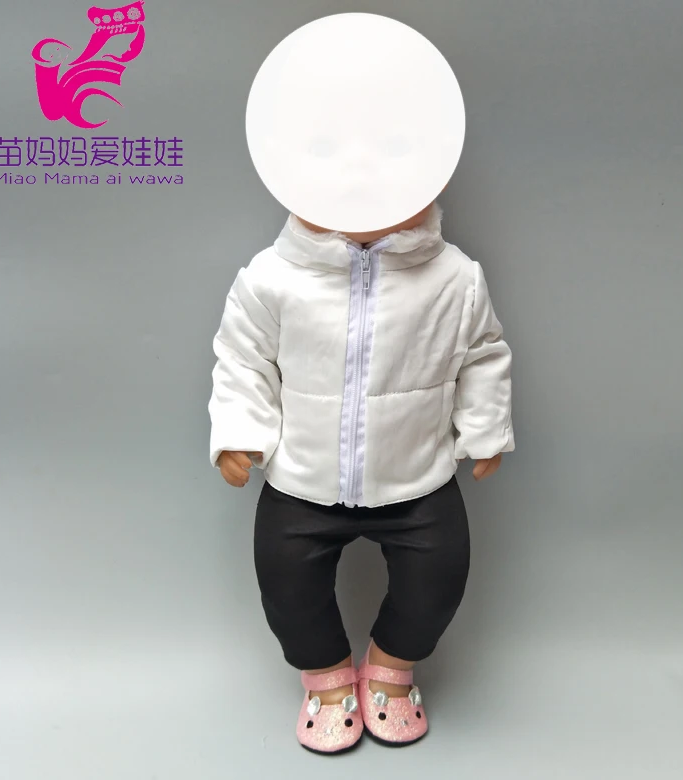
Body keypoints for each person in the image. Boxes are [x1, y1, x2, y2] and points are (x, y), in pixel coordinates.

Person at [208, 197, 514, 753]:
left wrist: (485, 429)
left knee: (439, 578)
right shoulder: (272, 276)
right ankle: (326, 677)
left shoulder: (454, 278)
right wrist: (238, 431)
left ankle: (391, 666)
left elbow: (483, 355)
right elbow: (242, 359)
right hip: (303, 479)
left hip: (416, 475)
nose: (362, 208)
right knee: (287, 586)